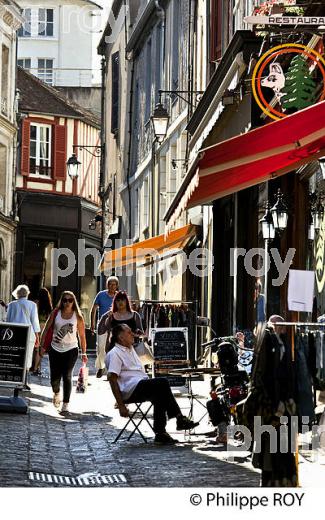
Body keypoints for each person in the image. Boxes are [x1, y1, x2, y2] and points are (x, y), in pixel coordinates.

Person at [106, 323, 199, 444]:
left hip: (140, 384)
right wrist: (121, 405)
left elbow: (144, 349)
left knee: (159, 395)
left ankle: (161, 433)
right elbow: (112, 380)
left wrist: (142, 336)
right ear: (121, 337)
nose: (132, 334)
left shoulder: (130, 349)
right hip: (130, 390)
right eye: (129, 332)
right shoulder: (115, 353)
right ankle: (179, 418)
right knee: (162, 382)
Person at [40, 291, 88, 414]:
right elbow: (45, 330)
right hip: (55, 348)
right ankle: (56, 392)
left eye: (70, 300)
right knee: (54, 379)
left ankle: (65, 404)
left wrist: (84, 352)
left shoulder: (77, 316)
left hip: (71, 349)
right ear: (61, 301)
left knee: (67, 376)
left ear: (74, 302)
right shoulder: (55, 313)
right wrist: (41, 346)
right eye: (65, 300)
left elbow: (82, 336)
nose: (67, 302)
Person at [6, 285, 41, 389]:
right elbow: (35, 322)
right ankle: (24, 381)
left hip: (15, 333)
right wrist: (37, 337)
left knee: (16, 356)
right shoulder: (32, 305)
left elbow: (8, 320)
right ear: (27, 294)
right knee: (28, 356)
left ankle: (15, 379)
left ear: (17, 294)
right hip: (29, 333)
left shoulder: (11, 305)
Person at [98, 290, 144, 355]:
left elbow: (141, 334)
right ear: (115, 302)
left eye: (122, 300)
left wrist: (135, 333)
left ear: (126, 301)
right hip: (114, 350)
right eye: (118, 300)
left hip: (131, 350)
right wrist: (105, 317)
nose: (120, 302)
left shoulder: (135, 315)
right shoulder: (111, 316)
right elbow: (100, 331)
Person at [90, 276, 119, 378]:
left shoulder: (118, 297)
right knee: (101, 347)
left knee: (112, 349)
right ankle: (100, 367)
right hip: (102, 325)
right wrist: (92, 324)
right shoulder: (101, 295)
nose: (112, 286)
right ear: (107, 285)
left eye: (114, 284)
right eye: (110, 284)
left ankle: (109, 371)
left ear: (116, 286)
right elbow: (93, 310)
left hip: (115, 326)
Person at [32, 287, 53, 374]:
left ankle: (34, 368)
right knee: (41, 349)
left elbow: (34, 316)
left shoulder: (36, 303)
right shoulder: (49, 305)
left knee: (35, 348)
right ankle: (37, 368)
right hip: (45, 328)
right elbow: (50, 318)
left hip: (37, 327)